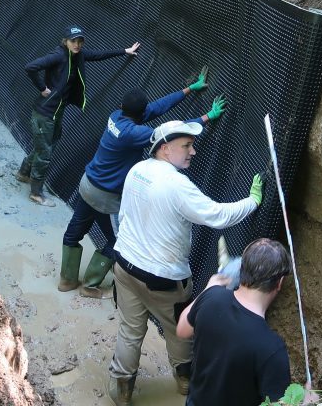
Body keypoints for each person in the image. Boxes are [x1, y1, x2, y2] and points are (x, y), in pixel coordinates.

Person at [105, 120, 265, 405]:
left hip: (124, 266)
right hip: (163, 281)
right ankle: (184, 384)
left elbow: (124, 215)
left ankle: (122, 392)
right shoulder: (176, 185)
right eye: (186, 146)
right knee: (179, 331)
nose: (192, 151)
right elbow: (218, 215)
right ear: (165, 149)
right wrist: (252, 202)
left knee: (130, 331)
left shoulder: (137, 170)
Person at [59, 76, 228, 298]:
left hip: (88, 184)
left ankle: (66, 281)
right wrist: (207, 117)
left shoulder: (117, 116)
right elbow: (171, 135)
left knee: (74, 231)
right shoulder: (133, 134)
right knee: (118, 241)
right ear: (139, 113)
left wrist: (187, 90)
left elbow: (157, 108)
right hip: (106, 197)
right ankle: (89, 287)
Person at [20, 26, 140, 207]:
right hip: (45, 112)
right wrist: (43, 88)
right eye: (73, 41)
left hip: (57, 111)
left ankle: (23, 173)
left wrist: (124, 51)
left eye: (80, 41)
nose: (77, 44)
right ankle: (36, 193)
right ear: (65, 41)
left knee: (46, 145)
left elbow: (98, 55)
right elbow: (30, 67)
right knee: (45, 153)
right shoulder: (58, 56)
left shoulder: (79, 55)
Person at [176, 238, 292, 406]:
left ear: (241, 269)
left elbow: (182, 330)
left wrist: (208, 290)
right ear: (279, 283)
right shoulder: (272, 347)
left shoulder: (212, 298)